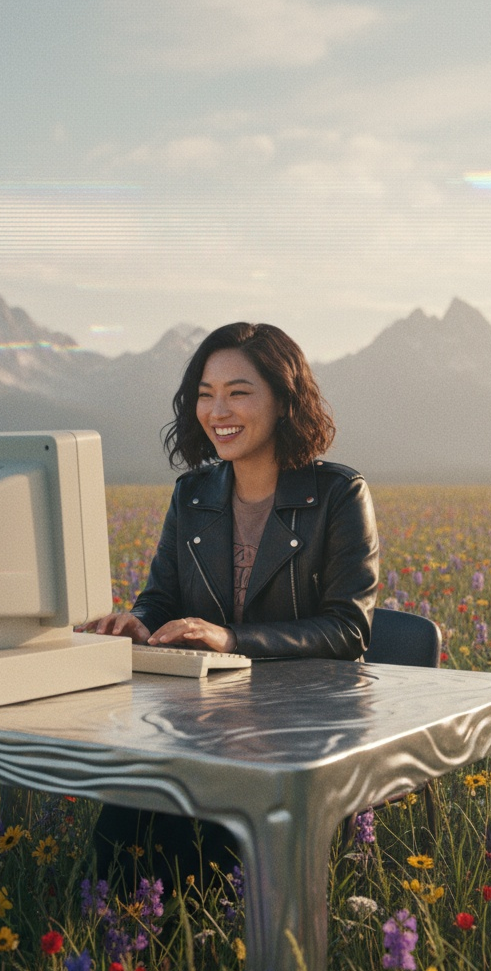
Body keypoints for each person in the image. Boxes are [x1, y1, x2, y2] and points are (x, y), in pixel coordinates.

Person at [84, 321, 380, 889]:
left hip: (301, 731)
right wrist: (137, 624)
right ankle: (126, 963)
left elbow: (348, 629)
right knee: (126, 819)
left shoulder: (339, 494)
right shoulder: (192, 495)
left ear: (284, 400)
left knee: (204, 845)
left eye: (238, 392)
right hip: (204, 723)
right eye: (204, 393)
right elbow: (162, 598)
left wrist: (232, 639)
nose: (218, 409)